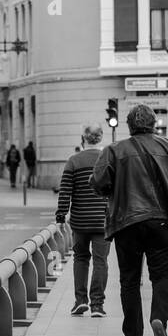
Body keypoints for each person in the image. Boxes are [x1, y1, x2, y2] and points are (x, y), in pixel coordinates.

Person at [91, 104, 168, 336]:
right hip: (161, 222)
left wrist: (112, 191)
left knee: (129, 280)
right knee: (162, 274)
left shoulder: (114, 151)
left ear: (129, 125)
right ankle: (158, 318)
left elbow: (97, 182)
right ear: (154, 123)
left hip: (126, 222)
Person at [56, 125, 110, 317]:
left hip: (80, 221)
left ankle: (80, 301)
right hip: (103, 221)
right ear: (101, 137)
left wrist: (61, 215)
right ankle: (97, 305)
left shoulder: (74, 161)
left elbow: (65, 191)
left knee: (80, 258)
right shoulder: (108, 160)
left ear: (83, 139)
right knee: (101, 261)